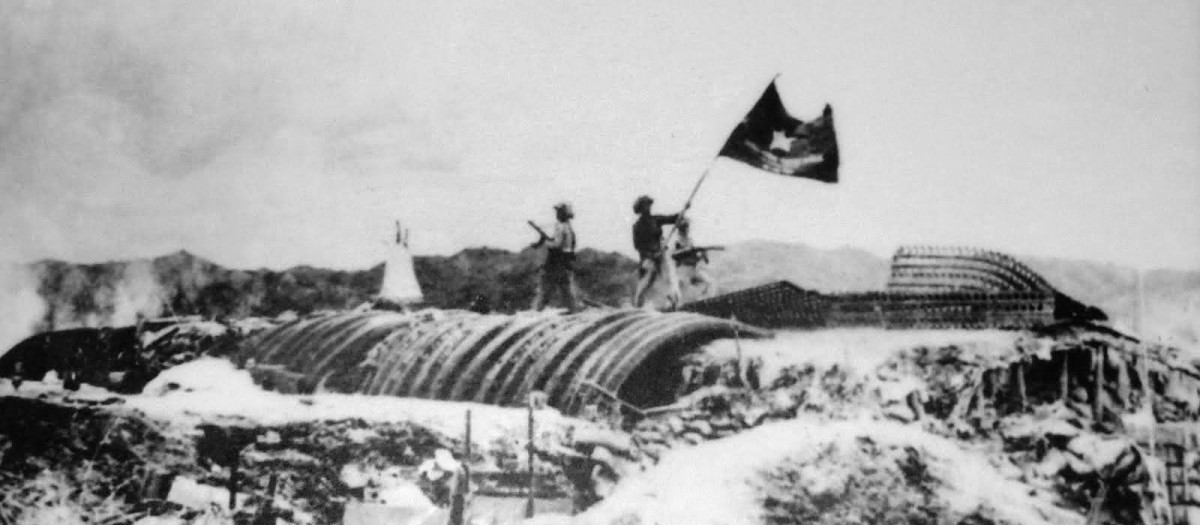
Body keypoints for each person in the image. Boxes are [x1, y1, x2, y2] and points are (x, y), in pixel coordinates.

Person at [631, 195, 683, 308]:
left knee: (668, 279)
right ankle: (637, 306)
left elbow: (672, 219)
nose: (648, 207)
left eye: (649, 205)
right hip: (648, 258)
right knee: (646, 282)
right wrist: (651, 254)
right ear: (640, 209)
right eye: (646, 205)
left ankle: (674, 304)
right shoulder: (637, 226)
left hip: (661, 254)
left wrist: (683, 211)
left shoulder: (655, 220)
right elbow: (637, 246)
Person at [531, 202, 580, 312]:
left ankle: (537, 311)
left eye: (558, 212)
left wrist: (545, 242)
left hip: (556, 262)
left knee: (545, 289)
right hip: (566, 261)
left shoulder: (560, 227)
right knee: (567, 290)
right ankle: (574, 310)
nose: (557, 214)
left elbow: (557, 245)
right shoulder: (569, 227)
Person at [671, 216, 717, 301]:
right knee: (685, 290)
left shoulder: (690, 241)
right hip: (683, 270)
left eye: (686, 226)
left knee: (709, 283)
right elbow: (673, 255)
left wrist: (703, 255)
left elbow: (701, 260)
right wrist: (686, 250)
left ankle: (703, 301)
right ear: (679, 229)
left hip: (693, 269)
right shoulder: (677, 242)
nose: (686, 229)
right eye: (683, 227)